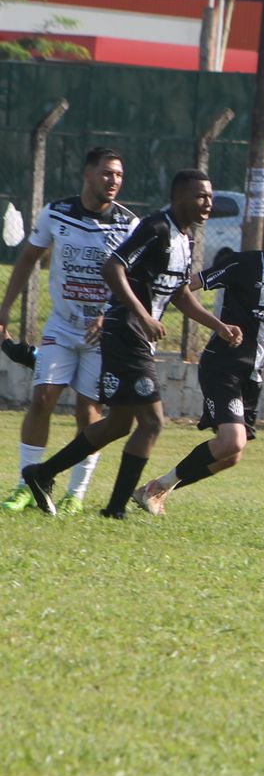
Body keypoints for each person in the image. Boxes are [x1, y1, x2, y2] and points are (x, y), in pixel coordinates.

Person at [20, 170, 242, 518]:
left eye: (210, 197)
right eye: (201, 196)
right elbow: (113, 268)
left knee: (118, 424)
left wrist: (219, 326)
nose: (209, 203)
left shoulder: (186, 239)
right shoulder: (156, 228)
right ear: (180, 196)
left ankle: (42, 473)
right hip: (124, 331)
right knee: (152, 423)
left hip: (136, 335)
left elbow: (180, 293)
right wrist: (142, 314)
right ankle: (115, 509)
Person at [133, 214, 264, 515]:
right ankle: (156, 489)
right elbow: (184, 289)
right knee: (232, 441)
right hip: (221, 365)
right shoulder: (242, 264)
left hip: (252, 376)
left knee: (231, 455)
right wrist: (217, 324)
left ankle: (156, 488)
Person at [0, 147, 136, 514]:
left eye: (119, 175)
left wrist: (110, 316)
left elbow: (136, 282)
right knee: (42, 397)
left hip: (102, 333)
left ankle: (75, 493)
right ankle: (25, 484)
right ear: (88, 174)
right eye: (107, 173)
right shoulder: (56, 213)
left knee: (87, 411)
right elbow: (28, 257)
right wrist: (5, 307)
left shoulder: (128, 225)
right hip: (61, 325)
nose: (114, 181)